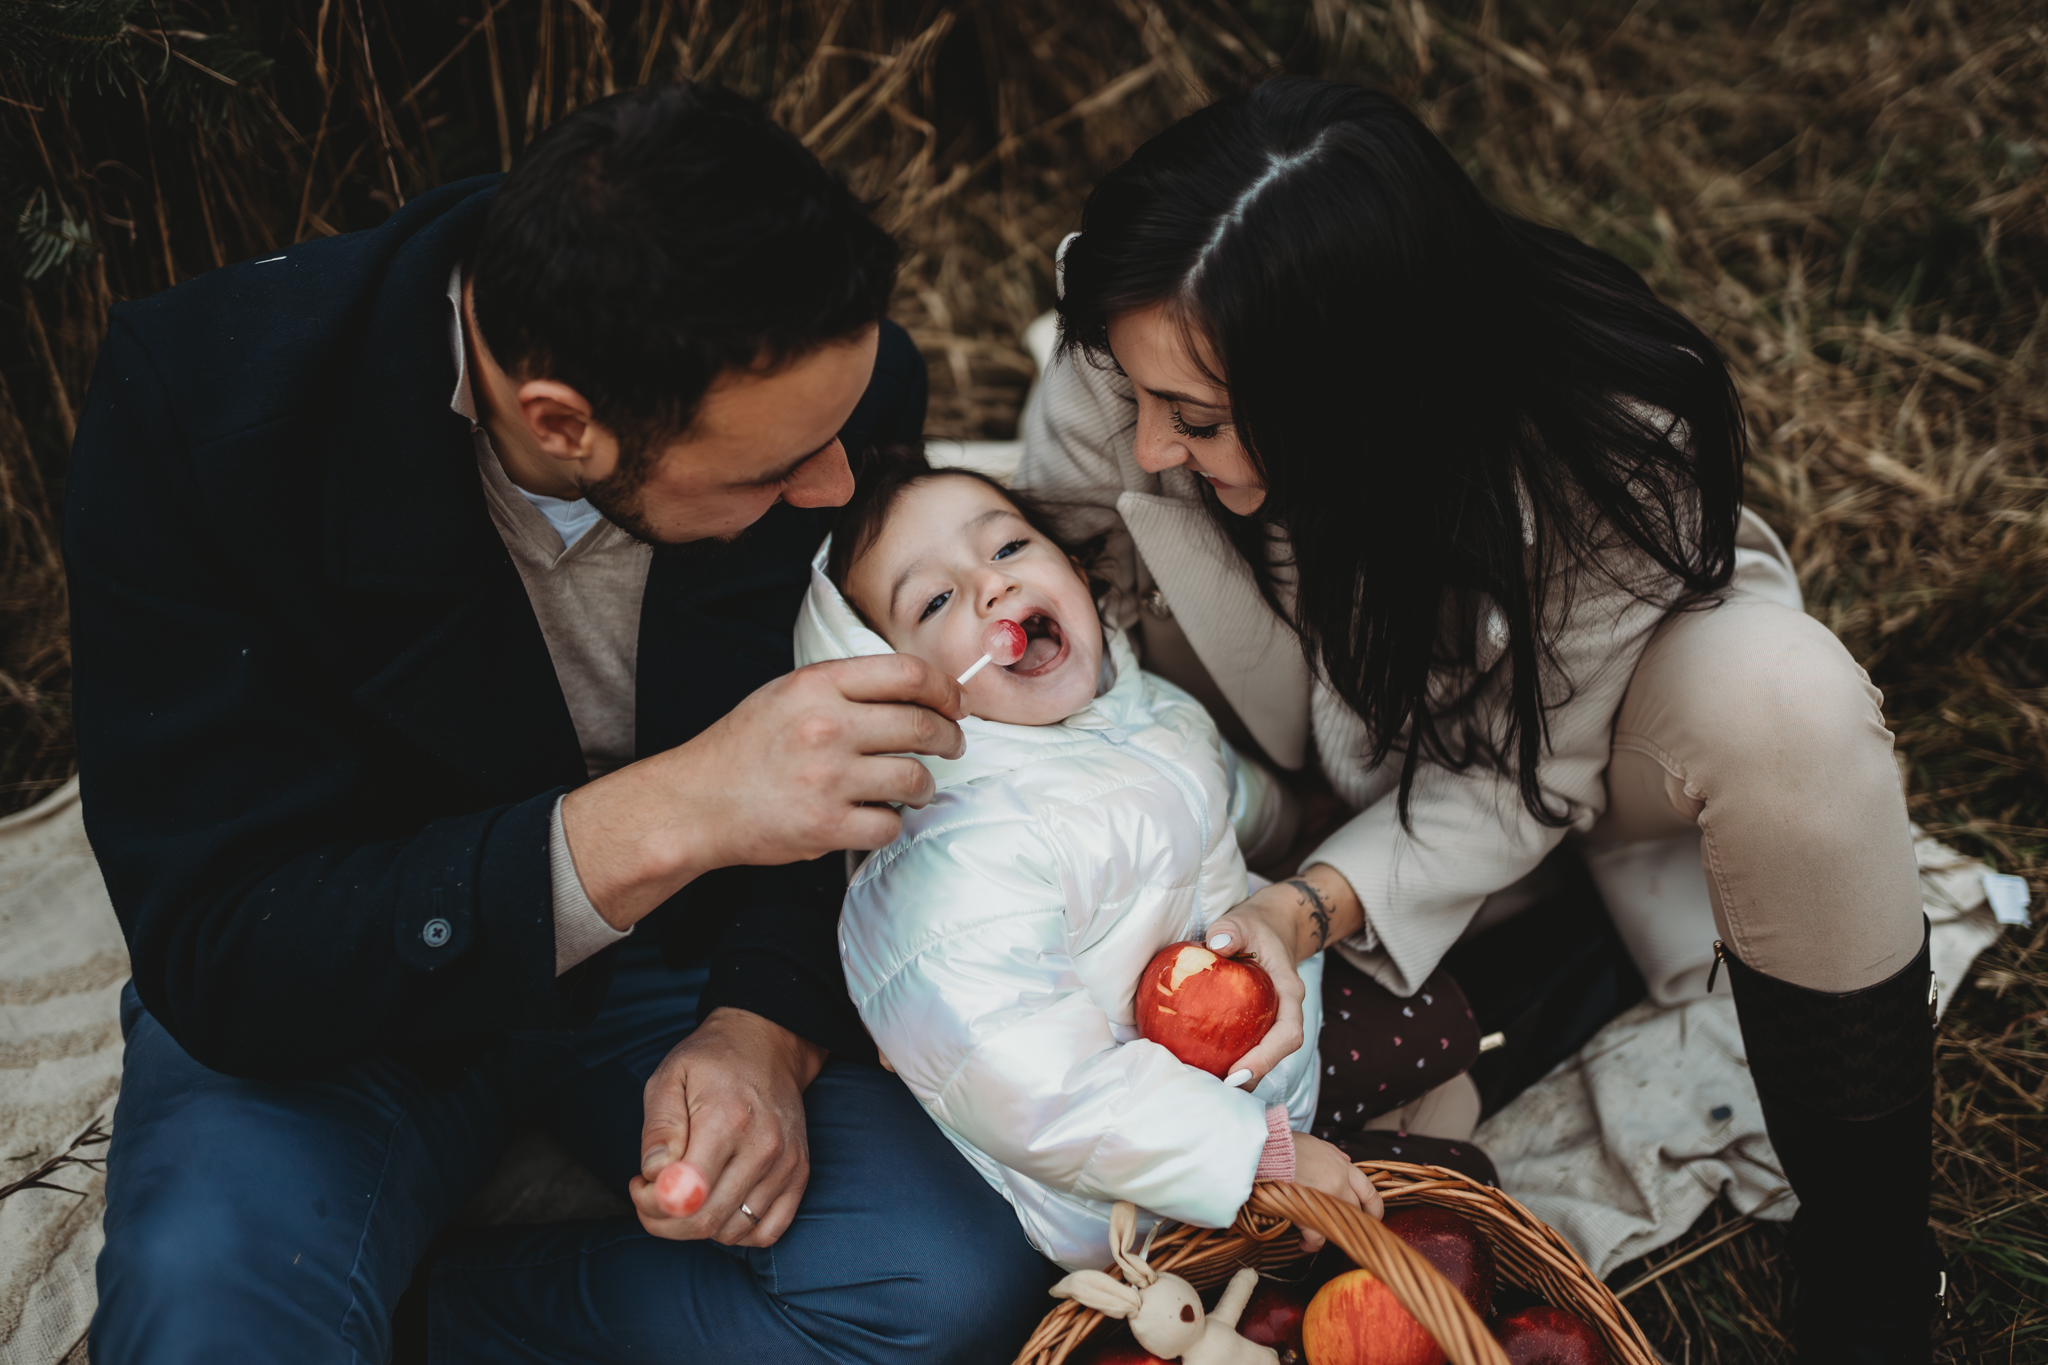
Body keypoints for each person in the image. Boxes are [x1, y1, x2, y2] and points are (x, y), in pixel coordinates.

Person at [65, 83, 1050, 1364]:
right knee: (209, 1319)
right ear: (561, 422)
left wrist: (764, 1025)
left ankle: (441, 1315)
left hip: (684, 963)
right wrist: (683, 806)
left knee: (940, 1286)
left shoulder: (819, 395)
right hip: (342, 995)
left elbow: (865, 775)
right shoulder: (203, 411)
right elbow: (223, 938)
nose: (837, 486)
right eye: (769, 474)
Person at [1019, 77, 1937, 1364]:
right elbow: (1071, 537)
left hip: (1563, 754)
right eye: (1139, 397)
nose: (1153, 447)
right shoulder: (1138, 346)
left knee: (1781, 702)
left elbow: (1522, 779)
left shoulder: (1610, 437)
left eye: (1200, 421)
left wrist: (1306, 906)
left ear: (1350, 394)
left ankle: (1874, 1270)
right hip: (1257, 747)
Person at [791, 450, 1402, 1270]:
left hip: (1262, 1058)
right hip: (1137, 1190)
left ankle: (1367, 1139)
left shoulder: (1140, 705)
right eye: (935, 599)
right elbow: (1038, 1089)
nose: (992, 586)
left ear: (1075, 568)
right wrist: (1251, 1156)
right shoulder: (950, 854)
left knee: (1445, 1019)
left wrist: (1299, 818)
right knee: (1370, 1235)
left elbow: (1222, 795)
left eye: (1008, 548)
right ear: (894, 697)